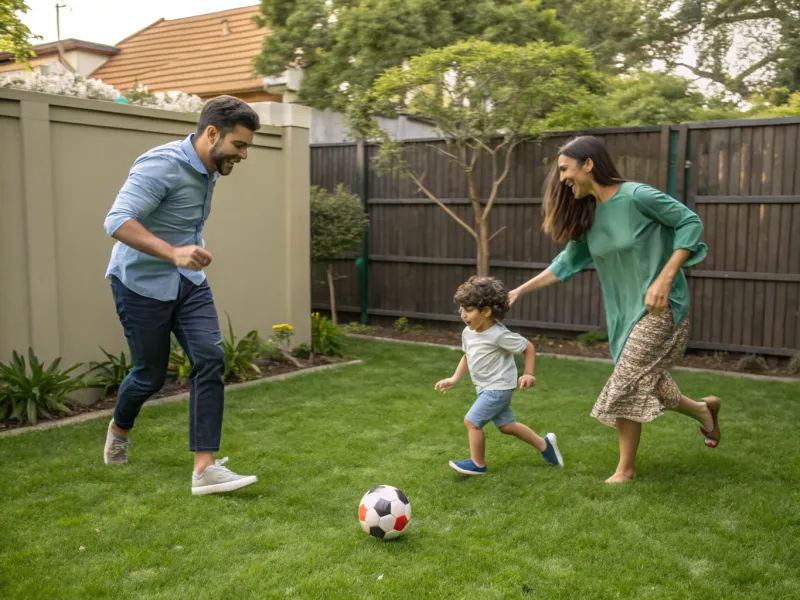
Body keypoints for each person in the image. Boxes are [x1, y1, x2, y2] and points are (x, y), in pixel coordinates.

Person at [508, 135, 721, 484]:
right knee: (651, 385)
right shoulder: (589, 216)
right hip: (622, 318)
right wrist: (519, 290)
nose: (562, 178)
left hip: (662, 309)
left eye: (565, 169)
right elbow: (564, 264)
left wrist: (665, 278)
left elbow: (690, 223)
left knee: (624, 382)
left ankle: (625, 470)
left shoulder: (637, 196)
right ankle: (703, 410)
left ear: (587, 164)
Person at [102, 95, 261, 495]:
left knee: (210, 359)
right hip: (139, 284)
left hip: (188, 285)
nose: (243, 155)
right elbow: (117, 220)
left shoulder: (209, 167)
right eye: (239, 146)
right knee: (149, 376)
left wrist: (186, 254)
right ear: (211, 133)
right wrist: (174, 252)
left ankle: (204, 467)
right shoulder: (162, 165)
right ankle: (119, 428)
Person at [435, 276, 564, 475]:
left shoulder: (498, 334)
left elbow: (527, 346)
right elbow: (467, 356)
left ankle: (477, 464)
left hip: (498, 388)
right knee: (507, 426)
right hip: (486, 388)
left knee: (472, 422)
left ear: (486, 311)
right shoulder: (468, 332)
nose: (463, 315)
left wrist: (528, 373)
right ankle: (545, 446)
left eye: (468, 310)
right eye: (461, 309)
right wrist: (454, 378)